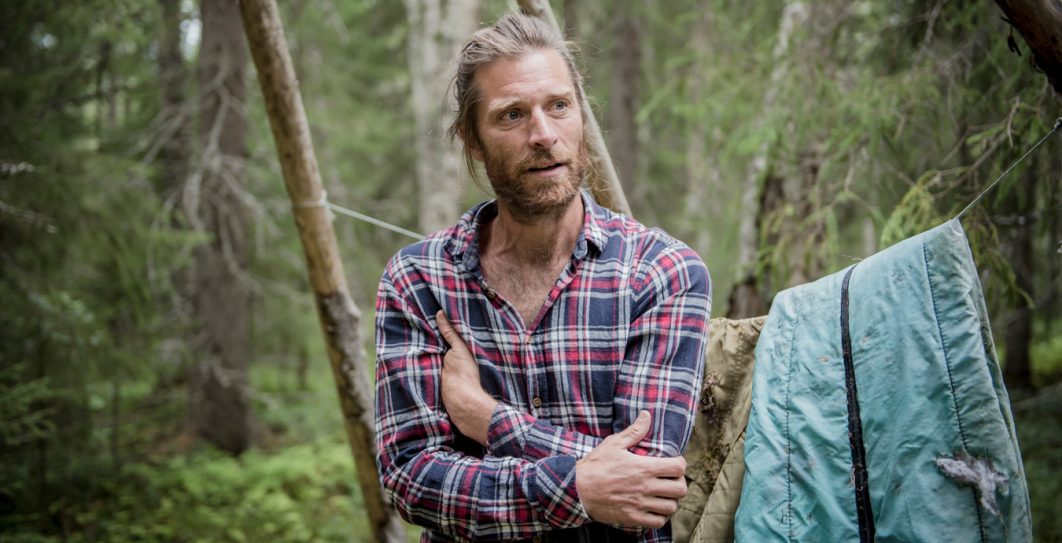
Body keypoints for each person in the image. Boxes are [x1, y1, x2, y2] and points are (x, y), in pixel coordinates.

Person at [374, 12, 711, 542]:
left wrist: (486, 418)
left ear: (582, 116)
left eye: (558, 106)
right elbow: (411, 478)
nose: (543, 134)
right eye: (512, 115)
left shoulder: (661, 271)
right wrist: (579, 487)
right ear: (473, 140)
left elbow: (646, 479)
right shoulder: (420, 280)